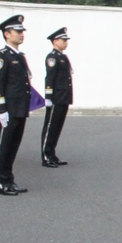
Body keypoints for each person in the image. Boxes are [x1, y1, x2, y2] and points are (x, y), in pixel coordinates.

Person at [0, 15, 32, 196]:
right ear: (7, 34)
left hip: (20, 108)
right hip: (8, 109)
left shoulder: (20, 56)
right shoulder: (1, 56)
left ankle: (9, 179)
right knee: (3, 146)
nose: (21, 34)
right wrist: (1, 109)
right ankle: (1, 182)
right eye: (18, 31)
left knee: (13, 145)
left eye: (22, 31)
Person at [41, 27, 74, 168]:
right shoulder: (52, 57)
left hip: (63, 97)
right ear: (55, 41)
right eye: (63, 40)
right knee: (50, 126)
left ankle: (52, 153)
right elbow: (50, 78)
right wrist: (48, 96)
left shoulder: (62, 57)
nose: (66, 42)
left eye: (66, 40)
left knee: (57, 126)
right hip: (55, 97)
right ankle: (46, 155)